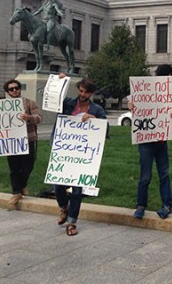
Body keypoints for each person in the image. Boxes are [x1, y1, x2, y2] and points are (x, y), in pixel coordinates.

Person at [54, 75, 107, 236]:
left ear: (91, 94)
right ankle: (64, 207)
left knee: (77, 189)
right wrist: (60, 81)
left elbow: (105, 130)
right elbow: (51, 99)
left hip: (83, 154)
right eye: (81, 91)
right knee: (58, 185)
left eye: (86, 93)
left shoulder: (97, 110)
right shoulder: (68, 103)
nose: (83, 95)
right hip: (63, 150)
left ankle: (72, 222)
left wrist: (93, 119)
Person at [133, 64, 172, 220]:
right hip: (146, 141)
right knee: (145, 176)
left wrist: (171, 114)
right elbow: (137, 106)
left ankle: (166, 205)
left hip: (161, 140)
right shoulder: (146, 88)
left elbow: (166, 112)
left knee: (164, 174)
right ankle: (141, 205)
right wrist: (133, 106)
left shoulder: (166, 92)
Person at [3, 79, 43, 210]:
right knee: (14, 168)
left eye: (16, 88)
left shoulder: (29, 103)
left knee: (28, 165)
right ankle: (16, 193)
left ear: (20, 89)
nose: (14, 90)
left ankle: (22, 184)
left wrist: (29, 118)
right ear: (7, 92)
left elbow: (39, 117)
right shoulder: (3, 105)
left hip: (28, 139)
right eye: (11, 89)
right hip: (11, 141)